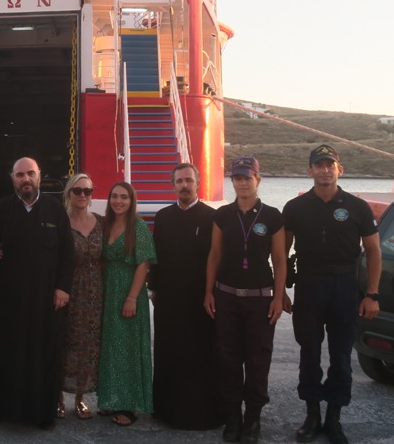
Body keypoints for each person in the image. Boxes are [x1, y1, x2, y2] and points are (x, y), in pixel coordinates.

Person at [283, 145, 381, 444]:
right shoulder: (295, 207)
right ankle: (312, 416)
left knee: (341, 355)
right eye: (319, 165)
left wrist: (372, 294)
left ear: (340, 169)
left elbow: (374, 251)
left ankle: (334, 418)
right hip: (309, 285)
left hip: (344, 286)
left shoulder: (358, 207)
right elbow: (281, 252)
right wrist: (280, 291)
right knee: (309, 353)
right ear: (309, 171)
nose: (325, 169)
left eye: (330, 164)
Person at [0, 157, 74, 429]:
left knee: (42, 354)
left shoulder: (55, 209)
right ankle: (4, 408)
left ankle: (43, 413)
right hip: (10, 297)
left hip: (45, 297)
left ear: (39, 176)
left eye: (30, 174)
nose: (26, 179)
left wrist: (62, 288)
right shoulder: (2, 209)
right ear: (13, 178)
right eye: (20, 174)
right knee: (8, 353)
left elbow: (67, 253)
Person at [203, 157, 288, 443]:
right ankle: (233, 418)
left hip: (260, 301)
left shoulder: (272, 216)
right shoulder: (223, 215)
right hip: (227, 297)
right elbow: (214, 255)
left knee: (257, 361)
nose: (242, 183)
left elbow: (279, 260)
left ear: (257, 180)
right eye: (237, 178)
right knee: (228, 360)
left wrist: (278, 297)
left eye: (247, 178)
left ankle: (252, 418)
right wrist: (208, 292)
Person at [150, 162, 223, 430]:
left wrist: (213, 293)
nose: (184, 185)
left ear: (197, 183)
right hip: (168, 298)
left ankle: (202, 413)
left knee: (201, 354)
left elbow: (218, 258)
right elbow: (156, 256)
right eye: (179, 181)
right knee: (169, 352)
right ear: (173, 185)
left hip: (200, 298)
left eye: (188, 180)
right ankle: (167, 410)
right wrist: (153, 288)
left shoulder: (212, 217)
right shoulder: (163, 217)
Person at [97, 181, 156, 427]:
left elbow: (144, 264)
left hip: (129, 292)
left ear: (131, 201)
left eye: (124, 197)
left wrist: (132, 297)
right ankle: (111, 398)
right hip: (108, 292)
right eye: (114, 196)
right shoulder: (105, 224)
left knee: (128, 348)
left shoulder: (138, 227)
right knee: (110, 347)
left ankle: (130, 406)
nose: (118, 201)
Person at [57, 173, 104, 420]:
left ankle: (80, 397)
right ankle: (58, 397)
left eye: (87, 191)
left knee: (89, 344)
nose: (83, 195)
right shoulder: (60, 222)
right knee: (64, 340)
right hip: (67, 288)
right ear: (69, 193)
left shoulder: (101, 222)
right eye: (77, 191)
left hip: (95, 291)